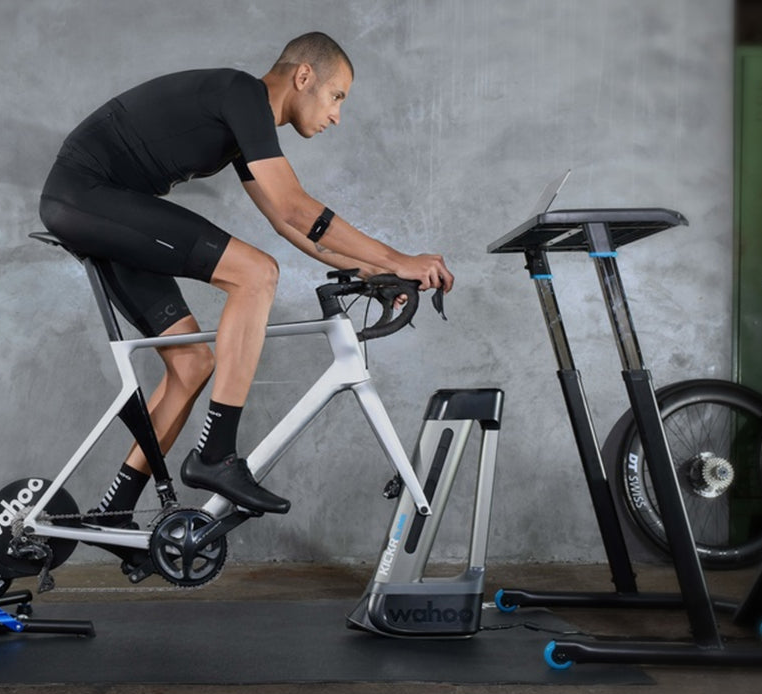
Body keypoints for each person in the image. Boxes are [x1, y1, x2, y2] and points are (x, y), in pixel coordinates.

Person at [39, 31, 453, 522]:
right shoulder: (242, 93)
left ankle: (114, 511)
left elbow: (285, 221)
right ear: (304, 77)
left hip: (101, 209)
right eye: (336, 96)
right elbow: (296, 208)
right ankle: (215, 455)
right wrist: (400, 258)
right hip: (87, 197)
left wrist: (374, 268)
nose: (337, 115)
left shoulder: (241, 120)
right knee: (255, 274)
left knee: (191, 365)